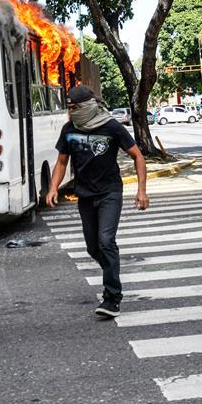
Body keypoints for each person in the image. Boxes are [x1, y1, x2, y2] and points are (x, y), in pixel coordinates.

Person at [45, 85, 149, 318]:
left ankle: (112, 298)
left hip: (109, 192)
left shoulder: (111, 126)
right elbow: (62, 162)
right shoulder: (69, 129)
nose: (71, 112)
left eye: (75, 107)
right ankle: (112, 272)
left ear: (88, 106)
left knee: (105, 241)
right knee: (93, 247)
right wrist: (53, 188)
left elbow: (138, 157)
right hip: (85, 194)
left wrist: (141, 191)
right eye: (69, 108)